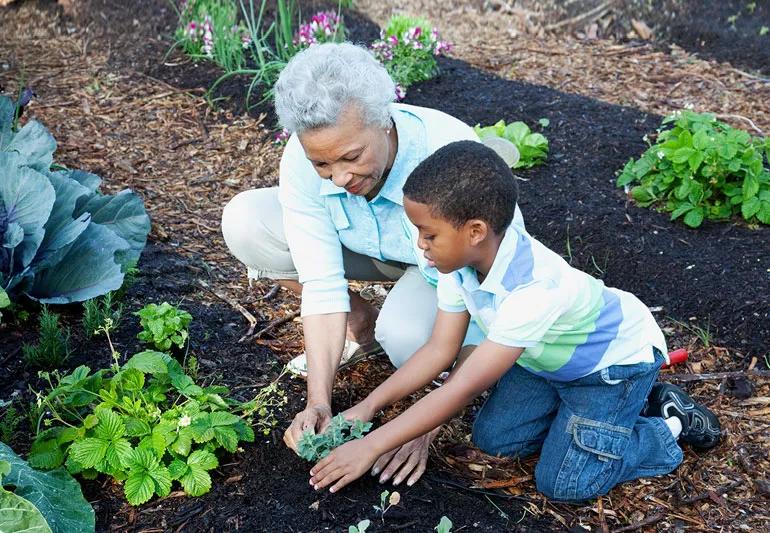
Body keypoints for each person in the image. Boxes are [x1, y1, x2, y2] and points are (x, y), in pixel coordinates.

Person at [307, 141, 721, 499]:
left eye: (428, 234)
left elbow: (464, 385)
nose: (420, 245)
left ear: (474, 231)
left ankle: (667, 425)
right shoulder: (459, 266)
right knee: (495, 440)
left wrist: (371, 446)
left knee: (564, 482)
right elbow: (439, 351)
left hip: (611, 367)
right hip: (548, 362)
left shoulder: (533, 290)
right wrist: (366, 407)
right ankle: (599, 418)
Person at [220, 43, 523, 484]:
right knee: (246, 222)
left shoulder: (450, 159)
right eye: (322, 163)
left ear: (384, 120)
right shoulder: (306, 157)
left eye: (351, 157)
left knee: (407, 341)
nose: (340, 178)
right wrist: (318, 402)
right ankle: (360, 326)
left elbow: (499, 302)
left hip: (444, 269)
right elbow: (320, 283)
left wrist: (422, 428)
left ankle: (390, 326)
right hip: (370, 252)